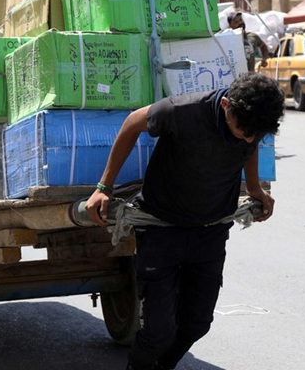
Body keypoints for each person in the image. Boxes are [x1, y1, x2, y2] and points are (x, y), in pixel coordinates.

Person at [84, 72, 285, 370]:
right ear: (227, 105)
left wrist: (254, 188)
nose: (249, 138)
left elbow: (250, 145)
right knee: (157, 333)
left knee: (197, 325)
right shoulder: (181, 111)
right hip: (161, 229)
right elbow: (131, 123)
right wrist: (104, 187)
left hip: (211, 232)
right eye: (243, 131)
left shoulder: (251, 124)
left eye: (256, 134)